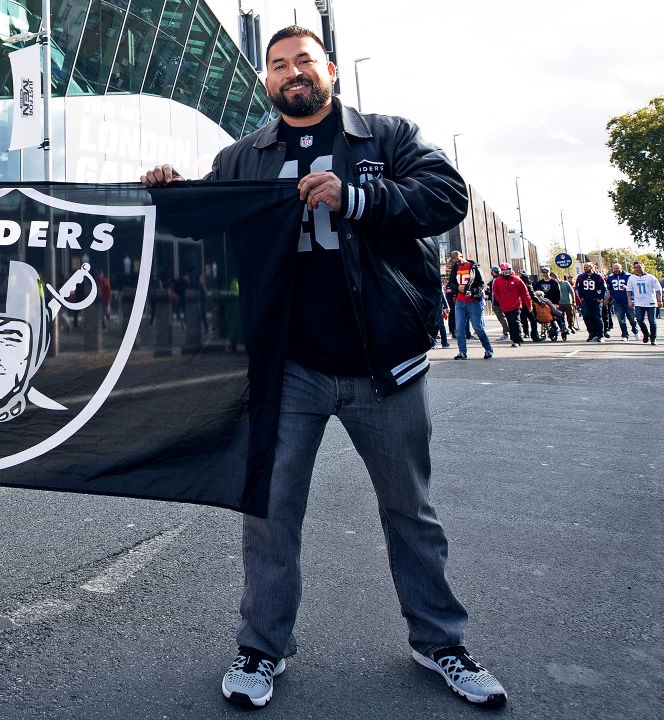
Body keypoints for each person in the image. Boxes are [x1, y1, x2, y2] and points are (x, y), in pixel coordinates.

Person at [141, 26, 505, 709]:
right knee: (270, 514)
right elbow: (204, 219)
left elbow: (445, 196)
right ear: (268, 83)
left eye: (303, 60)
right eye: (278, 66)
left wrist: (358, 198)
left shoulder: (386, 136)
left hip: (385, 366)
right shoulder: (243, 156)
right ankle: (261, 650)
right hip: (290, 369)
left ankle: (440, 642)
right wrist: (170, 191)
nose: (291, 73)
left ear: (330, 69)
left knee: (410, 511)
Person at [446, 250, 493, 360]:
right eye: (455, 262)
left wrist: (472, 292)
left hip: (473, 302)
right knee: (459, 329)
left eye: (458, 261)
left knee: (478, 328)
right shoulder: (455, 268)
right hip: (460, 302)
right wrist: (457, 288)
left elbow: (482, 284)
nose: (457, 263)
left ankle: (488, 349)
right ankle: (462, 352)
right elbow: (451, 283)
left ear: (462, 256)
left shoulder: (474, 267)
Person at [490, 263, 530, 347]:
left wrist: (529, 304)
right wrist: (500, 301)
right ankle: (514, 338)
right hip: (505, 306)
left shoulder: (516, 279)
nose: (506, 272)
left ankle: (517, 340)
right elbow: (496, 292)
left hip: (516, 305)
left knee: (515, 321)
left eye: (507, 270)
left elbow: (524, 292)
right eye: (504, 270)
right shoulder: (498, 281)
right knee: (510, 322)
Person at [626, 261, 661, 345]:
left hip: (650, 302)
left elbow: (658, 289)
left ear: (643, 267)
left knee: (652, 321)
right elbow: (629, 290)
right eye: (636, 267)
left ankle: (653, 338)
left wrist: (660, 300)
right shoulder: (632, 278)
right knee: (639, 320)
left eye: (639, 267)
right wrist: (629, 300)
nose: (638, 269)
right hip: (638, 302)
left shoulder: (651, 277)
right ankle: (646, 333)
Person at [605, 262, 639, 341]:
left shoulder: (629, 276)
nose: (616, 270)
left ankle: (635, 331)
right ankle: (625, 335)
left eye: (617, 268)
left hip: (628, 300)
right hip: (617, 301)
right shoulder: (610, 277)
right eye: (614, 268)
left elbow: (634, 288)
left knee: (632, 318)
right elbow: (609, 289)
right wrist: (607, 298)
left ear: (621, 268)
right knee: (621, 319)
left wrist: (626, 287)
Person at [574, 262, 606, 342]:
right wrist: (581, 298)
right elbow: (578, 288)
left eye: (587, 267)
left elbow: (604, 288)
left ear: (592, 267)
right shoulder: (581, 277)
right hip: (586, 300)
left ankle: (600, 335)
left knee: (597, 318)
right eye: (584, 267)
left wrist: (600, 298)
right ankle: (592, 334)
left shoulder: (598, 277)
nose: (585, 269)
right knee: (586, 317)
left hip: (596, 300)